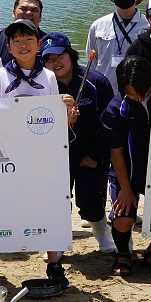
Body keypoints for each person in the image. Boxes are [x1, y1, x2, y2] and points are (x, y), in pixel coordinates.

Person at [0, 19, 77, 288]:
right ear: (9, 47)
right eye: (17, 42)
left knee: (49, 206)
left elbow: (56, 118)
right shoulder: (0, 76)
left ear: (38, 45)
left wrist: (66, 111)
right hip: (5, 154)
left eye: (29, 41)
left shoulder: (48, 77)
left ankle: (54, 263)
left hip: (40, 155)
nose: (23, 46)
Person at [42, 32, 117, 254]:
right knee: (56, 199)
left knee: (91, 200)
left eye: (60, 56)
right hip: (56, 154)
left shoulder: (97, 82)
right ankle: (56, 240)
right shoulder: (42, 86)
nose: (55, 62)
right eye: (48, 59)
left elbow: (109, 122)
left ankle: (102, 234)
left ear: (71, 55)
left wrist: (96, 155)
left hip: (90, 152)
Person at [100, 56, 151, 277]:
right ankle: (123, 253)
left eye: (142, 92)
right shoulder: (116, 108)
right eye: (131, 93)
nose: (137, 97)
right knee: (123, 218)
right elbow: (117, 151)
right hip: (129, 173)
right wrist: (125, 188)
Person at [85, 0, 149, 91]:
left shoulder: (148, 26)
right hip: (104, 95)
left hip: (137, 94)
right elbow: (91, 64)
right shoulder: (98, 25)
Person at [0, 0, 46, 65]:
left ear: (40, 17)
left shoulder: (49, 43)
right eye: (23, 9)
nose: (28, 13)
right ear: (13, 13)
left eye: (34, 10)